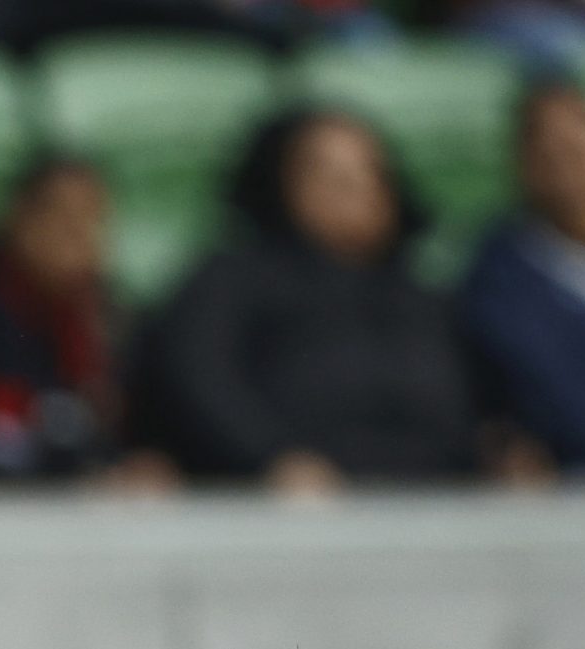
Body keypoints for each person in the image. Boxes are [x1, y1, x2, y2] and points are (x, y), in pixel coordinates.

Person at [136, 108, 485, 493]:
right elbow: (197, 378)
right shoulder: (232, 277)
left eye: (367, 171)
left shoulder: (429, 298)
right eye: (326, 172)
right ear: (280, 181)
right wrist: (270, 458)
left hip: (443, 504)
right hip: (283, 508)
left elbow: (485, 403)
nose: (351, 187)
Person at [0, 155, 163, 484]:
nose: (80, 236)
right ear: (20, 220)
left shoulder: (112, 317)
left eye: (95, 220)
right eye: (64, 219)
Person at [462, 79, 585, 478]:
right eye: (551, 153)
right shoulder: (500, 286)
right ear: (523, 165)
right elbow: (566, 407)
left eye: (580, 149)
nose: (570, 167)